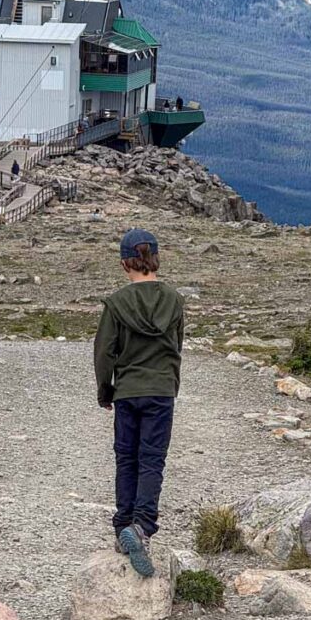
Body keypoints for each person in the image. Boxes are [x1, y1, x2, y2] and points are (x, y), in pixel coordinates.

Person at [94, 229, 184, 578]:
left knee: (126, 458)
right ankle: (143, 527)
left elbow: (104, 352)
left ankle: (123, 525)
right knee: (152, 460)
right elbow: (177, 346)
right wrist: (171, 384)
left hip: (128, 391)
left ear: (124, 263)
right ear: (156, 259)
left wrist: (106, 391)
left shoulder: (116, 304)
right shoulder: (174, 300)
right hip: (161, 390)